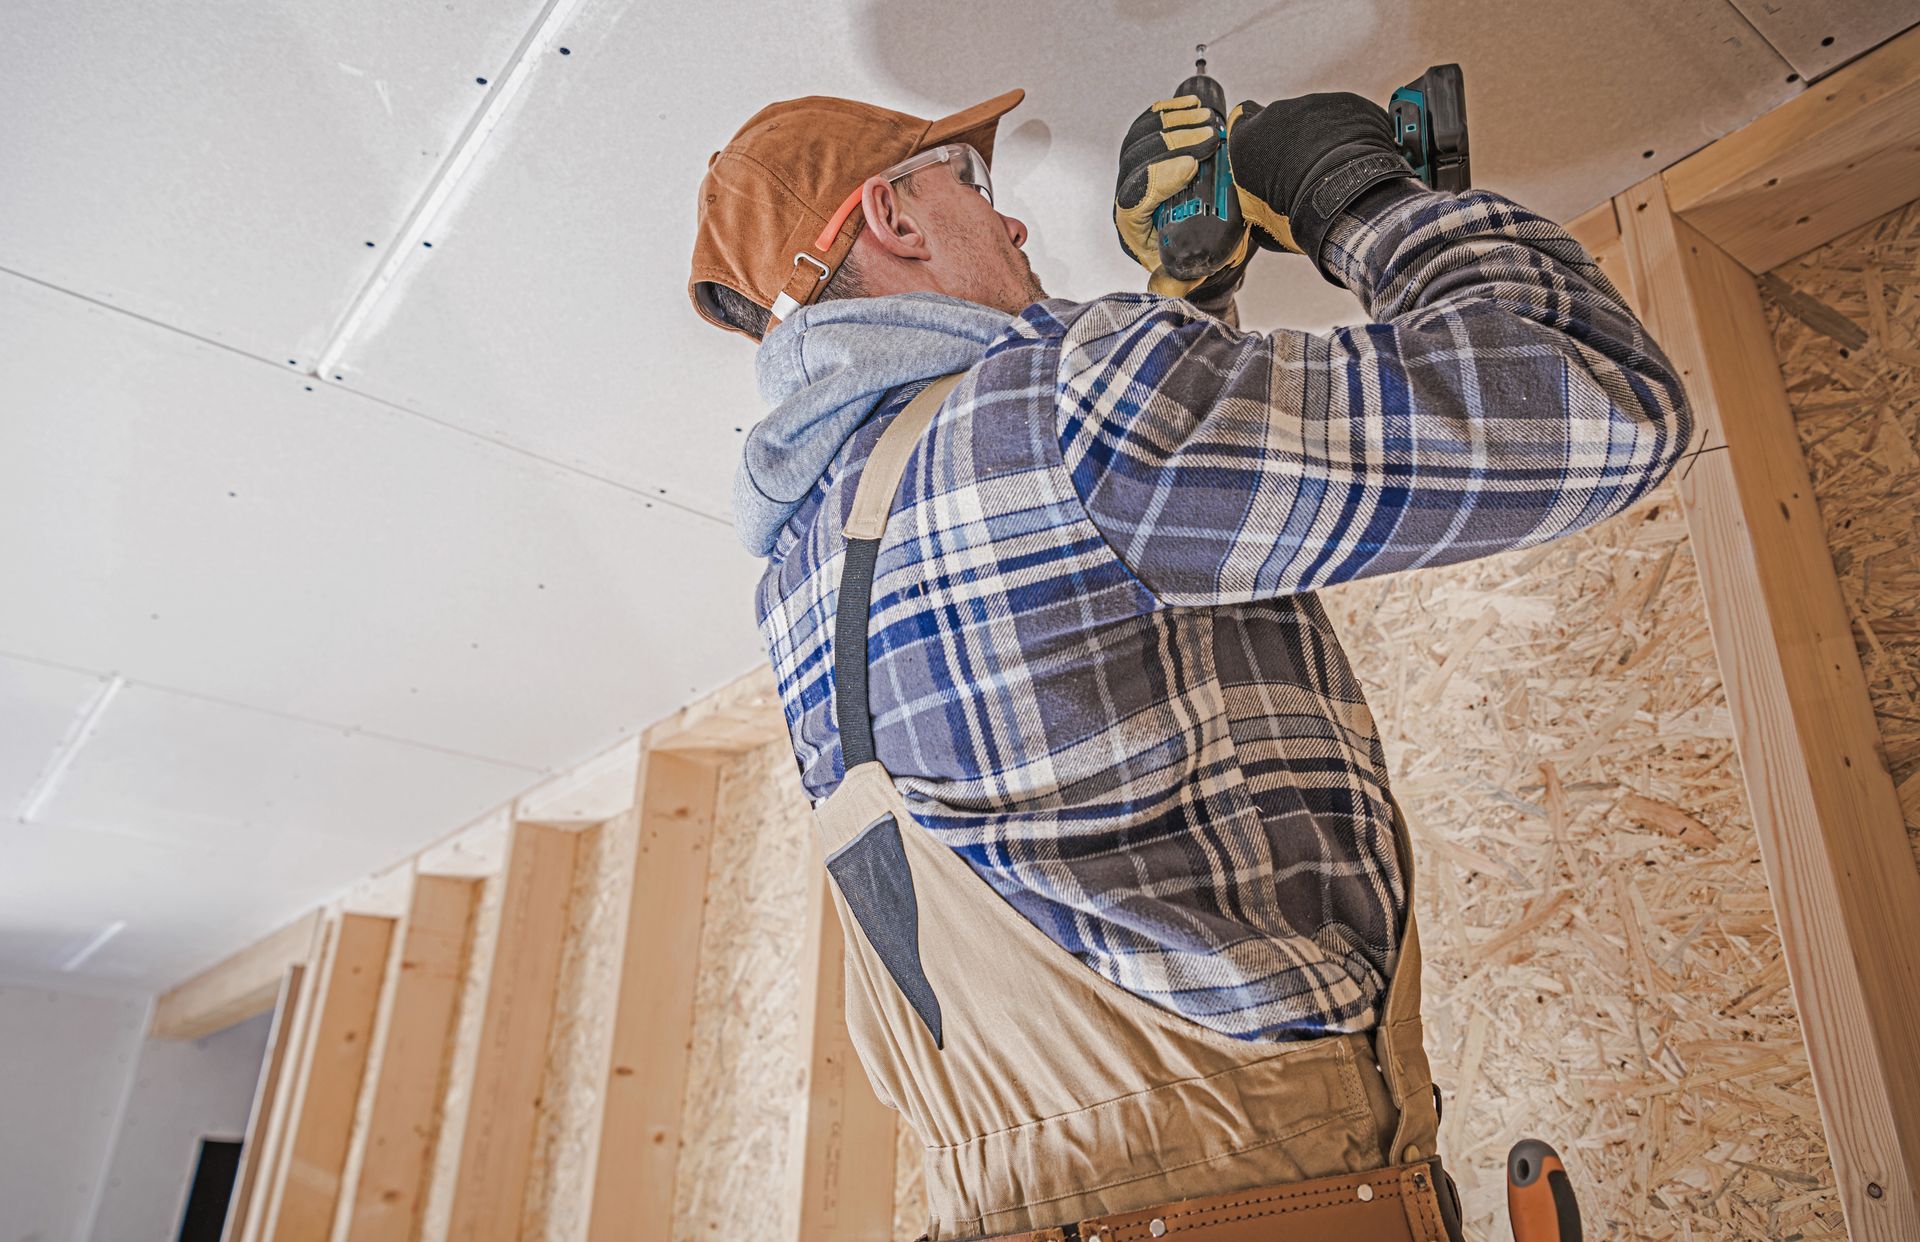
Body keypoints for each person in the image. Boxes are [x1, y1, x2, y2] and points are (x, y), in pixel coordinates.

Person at [688, 84, 1689, 1242]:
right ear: (893, 221)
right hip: (1256, 1181)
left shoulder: (803, 570)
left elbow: (1109, 652)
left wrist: (1189, 305)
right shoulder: (1065, 408)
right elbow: (1601, 403)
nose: (1012, 226)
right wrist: (1353, 193)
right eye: (971, 187)